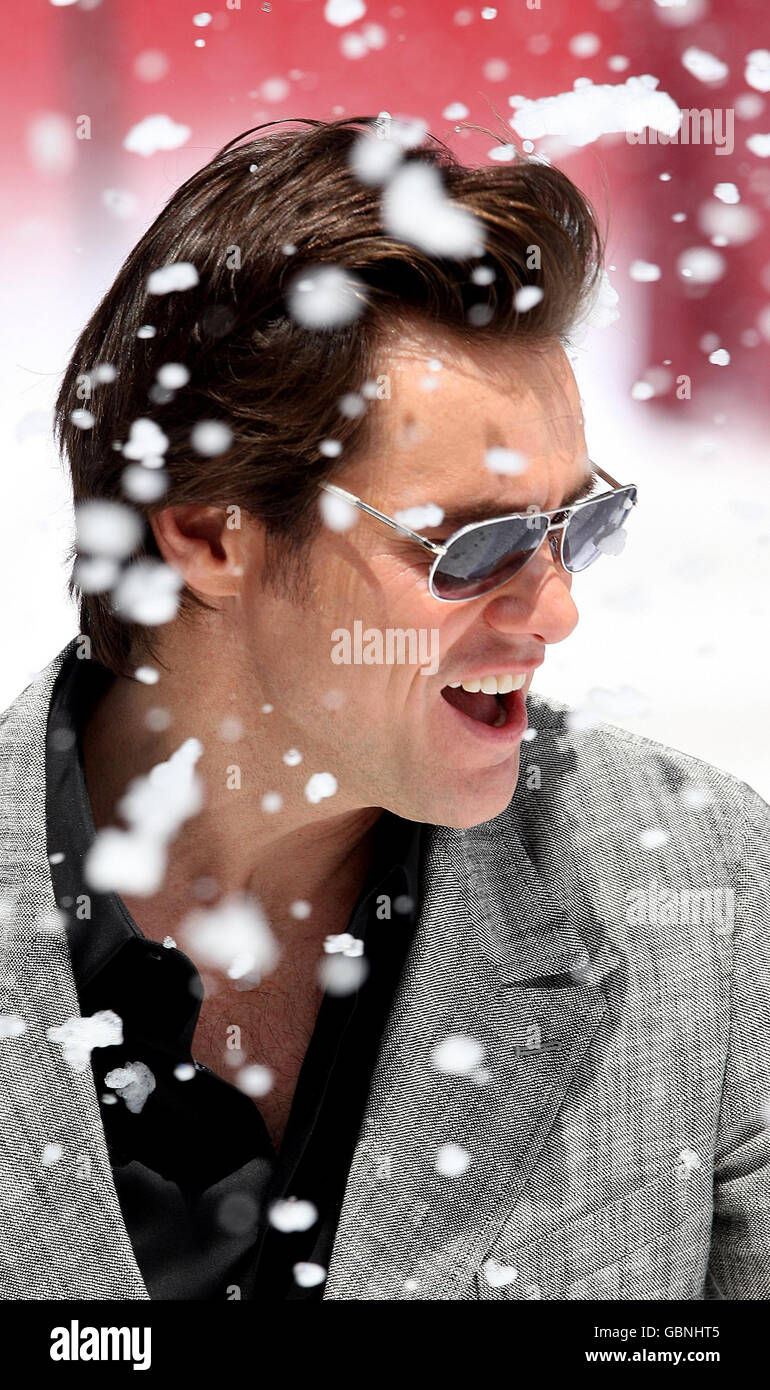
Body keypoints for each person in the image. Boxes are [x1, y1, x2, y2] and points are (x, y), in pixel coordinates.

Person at [0, 117, 767, 1301]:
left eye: (578, 526)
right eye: (478, 544)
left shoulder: (698, 891)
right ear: (209, 533)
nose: (553, 611)